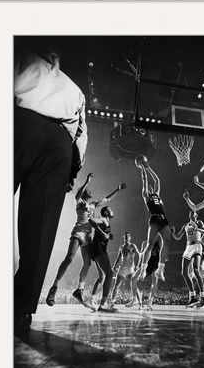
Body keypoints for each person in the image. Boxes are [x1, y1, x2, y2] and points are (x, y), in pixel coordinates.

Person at [14, 43, 87, 330]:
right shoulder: (75, 88)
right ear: (56, 57)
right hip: (59, 144)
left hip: (19, 122)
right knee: (41, 230)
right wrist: (71, 172)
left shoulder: (20, 55)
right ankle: (21, 308)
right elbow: (81, 138)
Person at [46, 173, 126, 307]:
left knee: (87, 264)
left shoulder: (93, 204)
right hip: (79, 231)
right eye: (87, 191)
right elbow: (76, 196)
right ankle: (54, 287)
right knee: (70, 258)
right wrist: (86, 182)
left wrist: (117, 190)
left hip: (88, 235)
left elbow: (106, 199)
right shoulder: (81, 202)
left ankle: (79, 290)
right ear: (83, 193)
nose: (90, 191)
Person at [170, 211, 204, 308]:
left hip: (197, 245)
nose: (193, 212)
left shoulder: (199, 222)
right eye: (191, 212)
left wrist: (197, 228)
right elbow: (178, 237)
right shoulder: (185, 225)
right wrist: (173, 233)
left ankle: (203, 296)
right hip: (188, 247)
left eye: (194, 212)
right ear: (189, 215)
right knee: (184, 272)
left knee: (196, 269)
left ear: (196, 215)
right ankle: (193, 296)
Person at [137, 163, 170, 282]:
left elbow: (157, 179)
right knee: (150, 244)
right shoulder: (146, 196)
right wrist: (142, 169)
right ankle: (143, 270)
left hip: (163, 218)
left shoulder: (157, 194)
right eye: (149, 187)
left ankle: (160, 269)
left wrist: (148, 167)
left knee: (166, 241)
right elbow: (144, 180)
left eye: (152, 187)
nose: (151, 188)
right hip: (154, 218)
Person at [87, 206, 118, 312]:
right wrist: (102, 233)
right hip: (98, 248)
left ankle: (91, 300)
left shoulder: (106, 222)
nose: (113, 210)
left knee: (102, 276)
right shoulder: (104, 219)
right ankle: (103, 304)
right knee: (110, 273)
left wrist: (108, 236)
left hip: (96, 248)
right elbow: (91, 220)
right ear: (106, 212)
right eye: (111, 209)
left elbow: (104, 234)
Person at [127, 235, 162, 310]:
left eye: (157, 235)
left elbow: (163, 255)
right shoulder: (145, 243)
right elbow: (140, 255)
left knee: (155, 277)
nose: (155, 236)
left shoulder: (160, 243)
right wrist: (138, 266)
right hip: (146, 265)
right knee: (133, 278)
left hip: (155, 265)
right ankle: (134, 299)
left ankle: (150, 301)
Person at [110, 232, 140, 307]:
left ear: (130, 238)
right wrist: (114, 267)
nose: (127, 236)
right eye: (126, 236)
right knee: (116, 285)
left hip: (130, 268)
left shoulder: (132, 245)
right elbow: (118, 258)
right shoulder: (121, 247)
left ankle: (139, 302)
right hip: (122, 268)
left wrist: (138, 265)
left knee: (133, 284)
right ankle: (112, 302)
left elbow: (139, 255)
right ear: (124, 238)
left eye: (128, 235)